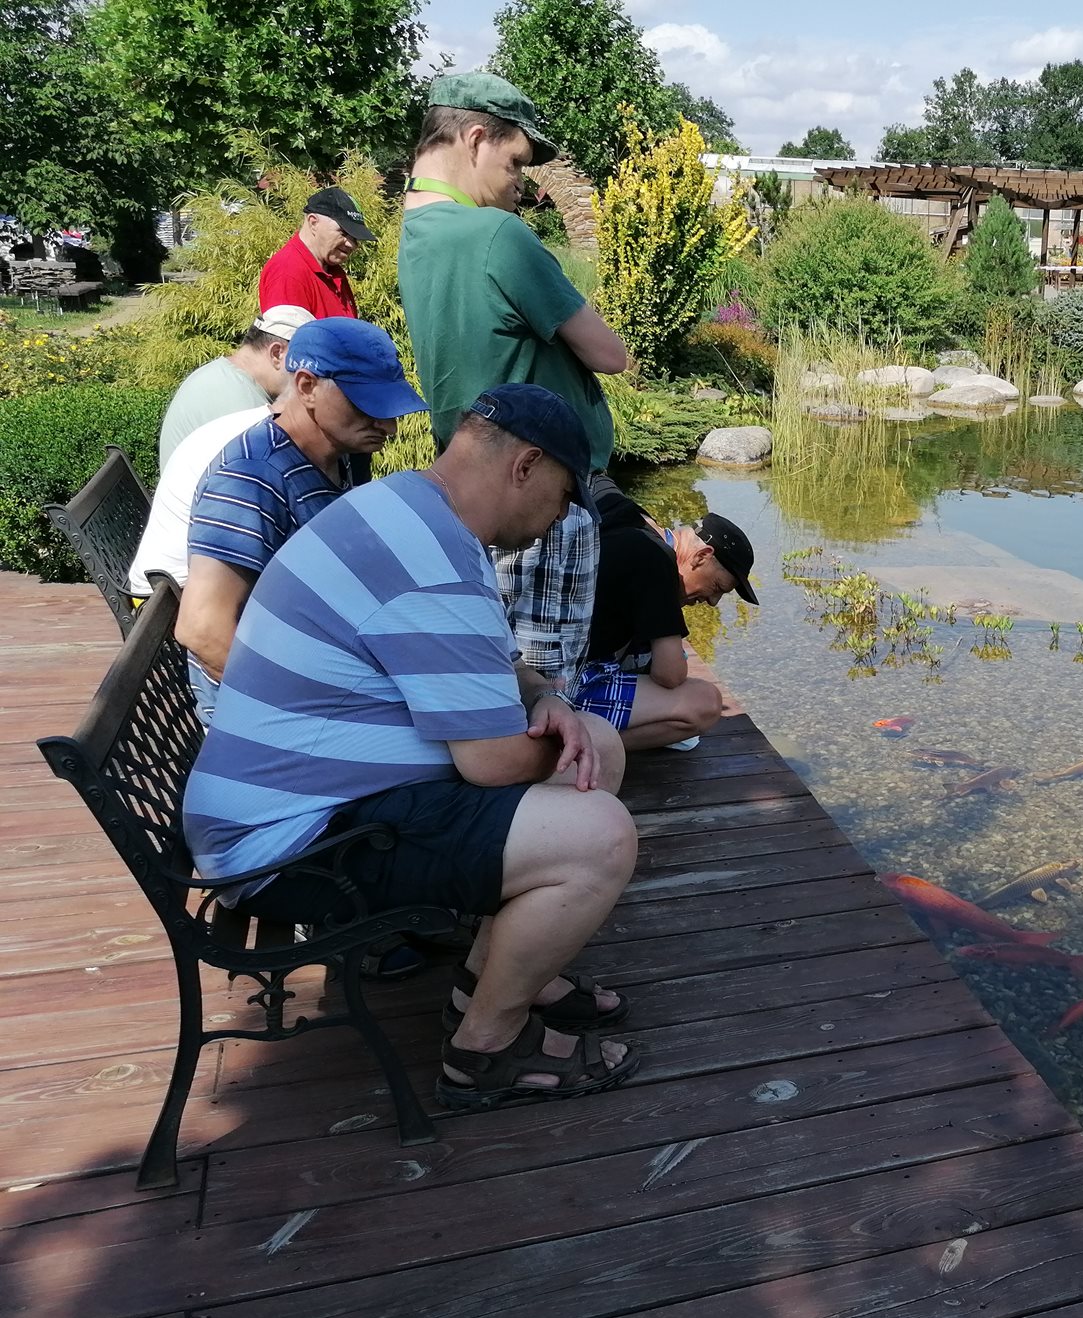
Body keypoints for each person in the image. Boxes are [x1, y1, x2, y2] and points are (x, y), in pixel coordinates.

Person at [183, 384, 639, 1109]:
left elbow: (493, 666)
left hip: (290, 803)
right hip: (288, 846)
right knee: (601, 836)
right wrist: (568, 746)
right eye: (562, 497)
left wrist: (550, 702)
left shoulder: (409, 511)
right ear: (525, 466)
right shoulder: (433, 560)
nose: (560, 518)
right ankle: (484, 1049)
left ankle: (495, 979)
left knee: (597, 749)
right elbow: (492, 763)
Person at [398, 73, 632, 700]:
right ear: (476, 138)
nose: (521, 183)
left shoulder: (416, 235)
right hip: (538, 497)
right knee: (545, 688)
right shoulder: (495, 235)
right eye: (516, 162)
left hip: (475, 485)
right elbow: (610, 355)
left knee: (494, 669)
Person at [176, 316, 423, 719]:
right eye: (367, 405)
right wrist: (306, 715)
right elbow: (202, 629)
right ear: (307, 386)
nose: (389, 427)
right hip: (265, 713)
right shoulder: (253, 478)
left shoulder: (336, 455)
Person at [572, 491, 757, 751]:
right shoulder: (657, 559)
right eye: (717, 587)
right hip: (570, 686)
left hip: (541, 672)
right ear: (701, 556)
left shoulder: (629, 516)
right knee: (705, 704)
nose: (713, 601)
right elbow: (670, 674)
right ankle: (586, 747)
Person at [154, 305, 312, 474]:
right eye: (304, 363)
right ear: (277, 353)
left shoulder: (221, 376)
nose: (308, 376)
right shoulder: (241, 403)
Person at [257, 187, 370, 319]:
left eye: (355, 238)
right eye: (344, 233)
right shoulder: (288, 272)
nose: (351, 244)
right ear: (313, 223)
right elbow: (288, 332)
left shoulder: (332, 270)